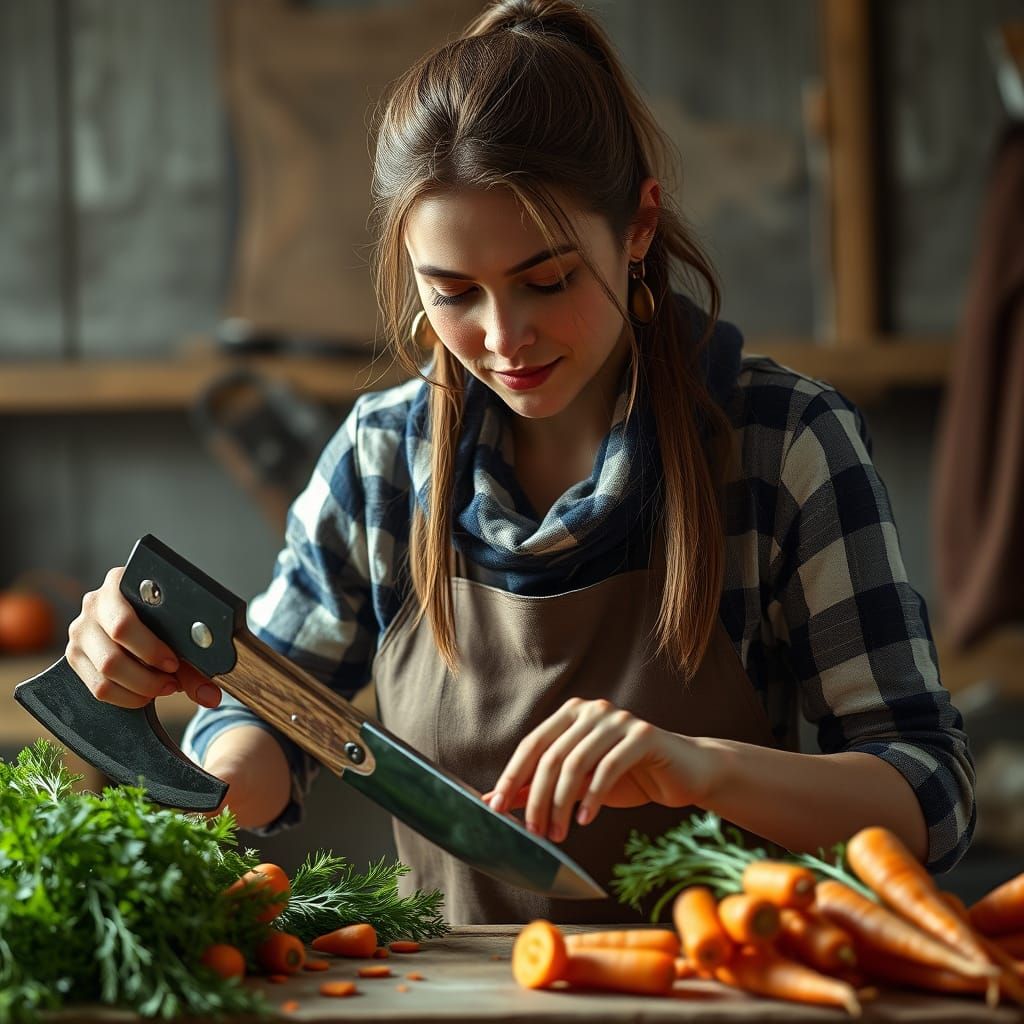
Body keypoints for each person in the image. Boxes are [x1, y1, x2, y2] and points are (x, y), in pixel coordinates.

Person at [65, 0, 974, 924]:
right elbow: (269, 721)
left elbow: (929, 791)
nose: (505, 339)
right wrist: (202, 777)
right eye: (453, 292)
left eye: (549, 281)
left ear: (639, 228)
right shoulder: (383, 459)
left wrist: (701, 770)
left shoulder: (787, 444)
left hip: (726, 989)